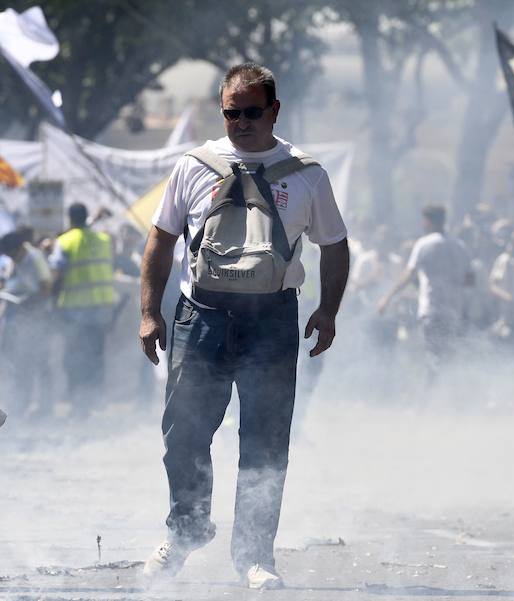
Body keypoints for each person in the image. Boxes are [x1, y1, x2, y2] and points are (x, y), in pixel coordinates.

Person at [138, 63, 350, 589]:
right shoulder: (194, 166)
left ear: (274, 110)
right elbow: (160, 239)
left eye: (252, 112)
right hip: (199, 317)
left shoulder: (306, 174)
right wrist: (149, 311)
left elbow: (335, 245)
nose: (241, 122)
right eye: (232, 112)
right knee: (182, 435)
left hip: (271, 321)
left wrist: (328, 310)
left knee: (265, 444)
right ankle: (186, 529)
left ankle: (256, 557)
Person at [378, 204, 473, 375]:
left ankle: (432, 394)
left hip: (433, 308)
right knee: (447, 354)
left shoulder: (424, 244)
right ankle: (444, 390)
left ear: (427, 221)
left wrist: (387, 297)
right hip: (454, 310)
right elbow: (470, 280)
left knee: (433, 354)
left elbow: (409, 275)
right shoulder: (460, 245)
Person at [49, 202, 118, 414]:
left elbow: (56, 274)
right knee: (95, 354)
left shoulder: (65, 241)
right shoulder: (105, 240)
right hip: (102, 308)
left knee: (74, 357)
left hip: (74, 310)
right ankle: (95, 399)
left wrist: (53, 303)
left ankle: (79, 403)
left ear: (69, 219)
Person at [0, 228, 53, 418]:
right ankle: (22, 405)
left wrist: (27, 303)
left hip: (37, 319)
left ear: (21, 247)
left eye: (13, 254)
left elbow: (46, 288)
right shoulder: (16, 261)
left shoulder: (34, 258)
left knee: (40, 363)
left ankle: (46, 408)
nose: (12, 258)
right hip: (21, 321)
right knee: (22, 364)